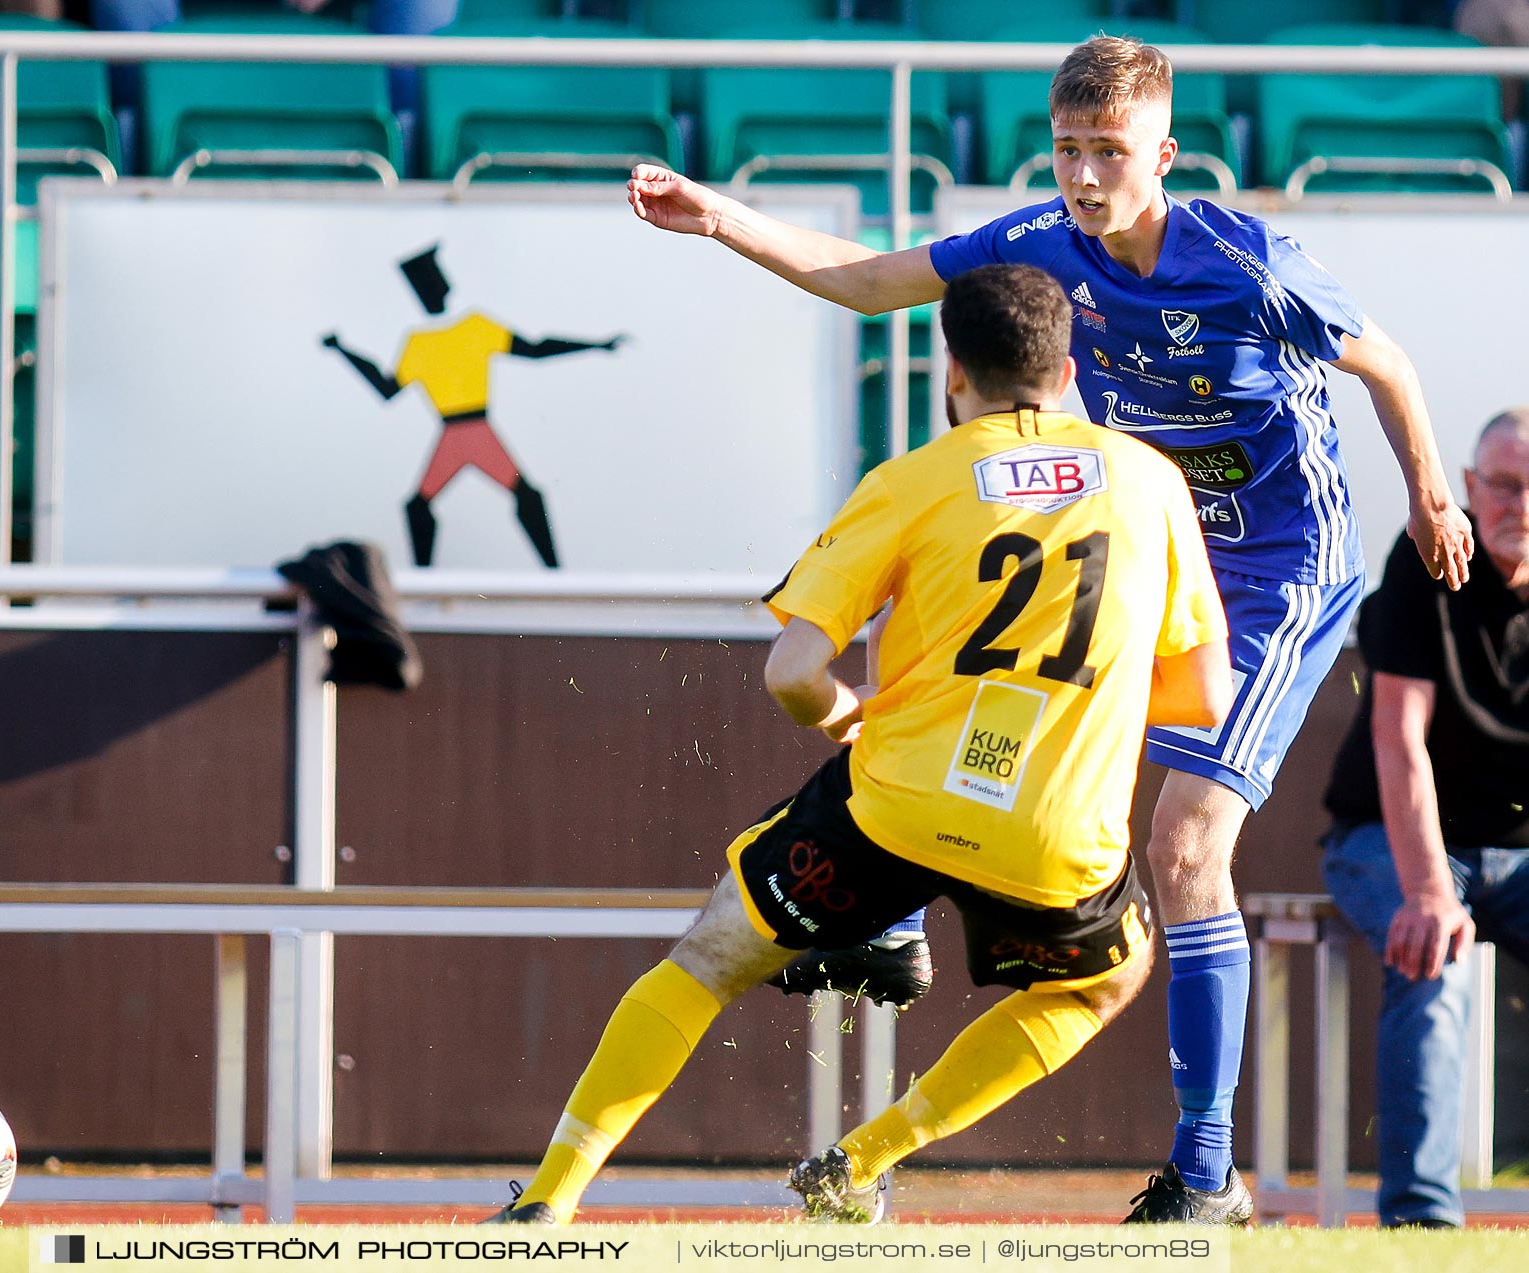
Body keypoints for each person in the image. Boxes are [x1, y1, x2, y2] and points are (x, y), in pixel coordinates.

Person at [625, 33, 1475, 1223]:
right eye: (1068, 148)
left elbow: (1386, 365)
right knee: (984, 685)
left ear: (1164, 155)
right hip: (1154, 552)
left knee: (1182, 847)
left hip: (1281, 567)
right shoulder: (1038, 244)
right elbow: (869, 279)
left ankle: (1205, 1170)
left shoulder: (1251, 264)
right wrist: (722, 220)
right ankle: (902, 921)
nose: (1083, 175)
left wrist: (1432, 492)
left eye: (1109, 153)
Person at [485, 262, 1233, 1225]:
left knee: (712, 955)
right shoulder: (1150, 480)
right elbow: (1204, 694)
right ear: (1071, 365)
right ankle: (859, 1161)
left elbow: (792, 672)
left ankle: (547, 1203)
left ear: (951, 370)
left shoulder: (915, 480)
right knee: (1109, 979)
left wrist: (846, 710)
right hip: (1054, 834)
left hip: (896, 807)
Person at [1319, 408, 1529, 1229]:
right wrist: (1431, 889)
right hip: (1390, 837)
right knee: (1432, 954)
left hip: (1515, 849)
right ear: (1470, 489)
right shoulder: (1427, 563)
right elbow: (1399, 738)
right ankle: (1421, 1224)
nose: (1520, 503)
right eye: (1505, 485)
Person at [322, 244, 623, 569]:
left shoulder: (470, 329)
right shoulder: (423, 342)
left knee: (520, 497)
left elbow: (535, 349)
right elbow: (387, 387)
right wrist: (344, 350)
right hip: (459, 434)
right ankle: (430, 580)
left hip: (475, 432)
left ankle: (554, 576)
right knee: (428, 505)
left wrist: (596, 345)